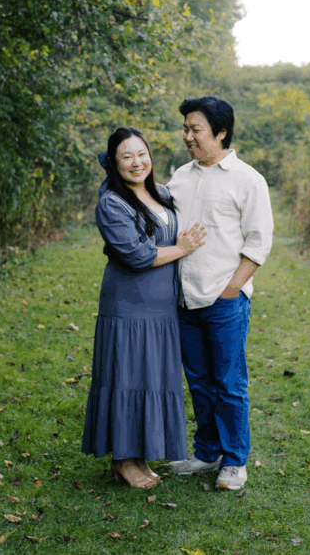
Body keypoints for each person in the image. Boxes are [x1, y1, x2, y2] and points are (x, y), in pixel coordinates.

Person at [82, 127, 207, 489]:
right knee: (127, 378)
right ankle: (123, 460)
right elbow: (138, 256)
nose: (137, 163)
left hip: (162, 307)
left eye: (142, 154)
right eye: (127, 157)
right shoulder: (111, 204)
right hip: (128, 306)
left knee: (152, 379)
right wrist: (182, 249)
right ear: (114, 163)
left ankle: (140, 455)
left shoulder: (161, 193)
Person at [163, 96, 273, 491]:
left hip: (225, 300)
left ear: (221, 132)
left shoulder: (248, 180)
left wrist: (230, 291)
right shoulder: (180, 176)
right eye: (185, 129)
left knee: (229, 383)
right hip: (184, 299)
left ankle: (234, 461)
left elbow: (258, 244)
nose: (187, 136)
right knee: (199, 382)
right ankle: (207, 452)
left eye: (196, 129)